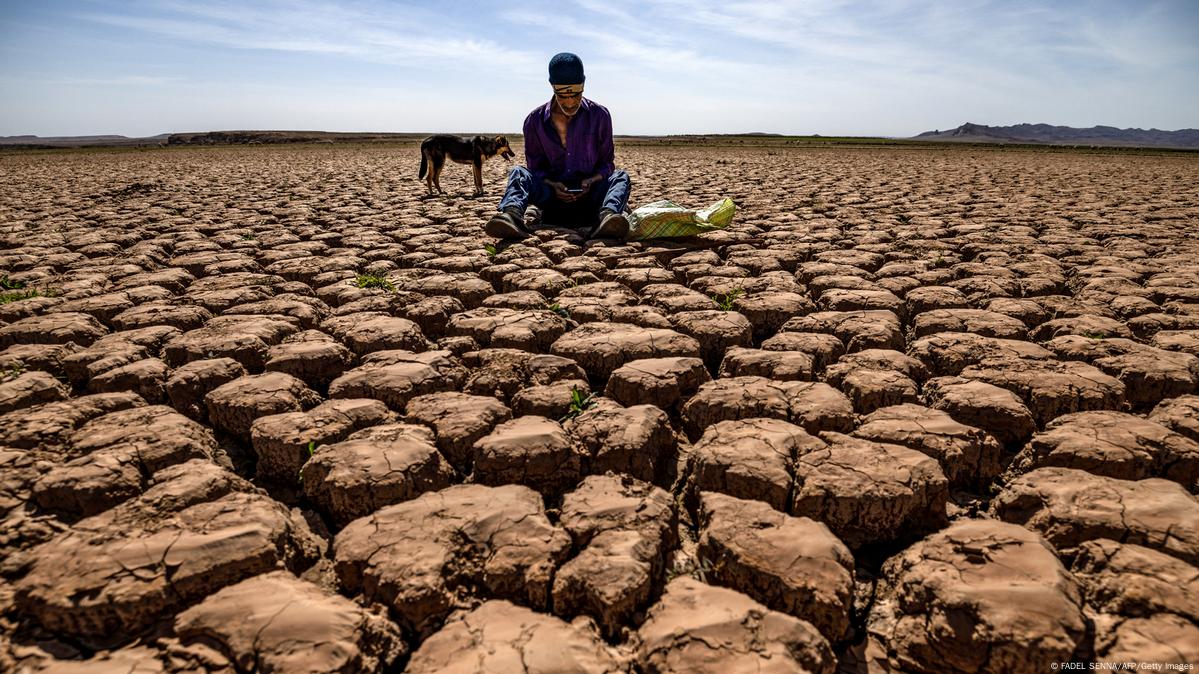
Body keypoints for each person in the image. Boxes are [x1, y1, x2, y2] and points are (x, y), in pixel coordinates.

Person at [486, 52, 631, 240]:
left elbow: (607, 164)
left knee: (621, 177)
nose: (570, 103)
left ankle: (608, 218)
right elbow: (536, 168)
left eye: (576, 95)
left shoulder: (600, 116)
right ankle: (511, 216)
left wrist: (591, 181)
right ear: (552, 87)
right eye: (562, 95)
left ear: (584, 85)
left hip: (590, 198)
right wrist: (553, 185)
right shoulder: (534, 121)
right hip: (552, 199)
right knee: (518, 173)